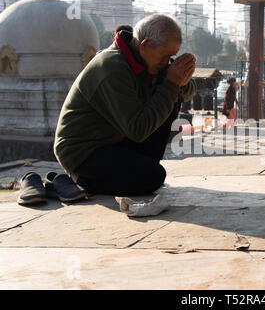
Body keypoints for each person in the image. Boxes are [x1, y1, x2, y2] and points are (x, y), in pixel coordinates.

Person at [53, 14, 197, 197]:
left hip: (115, 139)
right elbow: (137, 129)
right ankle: (80, 179)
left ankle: (140, 166)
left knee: (170, 97)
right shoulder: (111, 67)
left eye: (171, 57)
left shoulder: (149, 60)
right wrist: (171, 84)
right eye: (165, 56)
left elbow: (186, 92)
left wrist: (181, 78)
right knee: (153, 177)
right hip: (83, 151)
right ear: (145, 45)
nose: (166, 62)